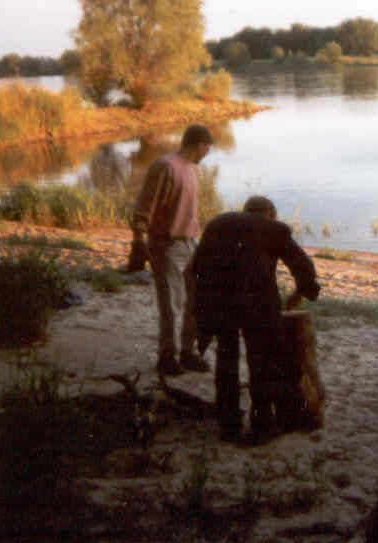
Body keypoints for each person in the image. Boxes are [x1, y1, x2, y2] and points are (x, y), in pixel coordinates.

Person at [188, 196, 321, 443]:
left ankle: (229, 424)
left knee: (226, 360)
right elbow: (303, 265)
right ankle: (262, 424)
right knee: (261, 362)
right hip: (257, 301)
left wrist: (199, 313)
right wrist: (302, 291)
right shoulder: (274, 229)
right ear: (269, 213)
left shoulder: (218, 223)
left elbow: (194, 268)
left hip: (219, 300)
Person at [131, 124, 213, 377]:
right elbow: (144, 206)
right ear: (198, 144)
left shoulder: (191, 169)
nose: (207, 154)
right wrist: (138, 241)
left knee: (193, 301)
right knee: (172, 305)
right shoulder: (165, 166)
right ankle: (167, 357)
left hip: (190, 243)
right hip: (166, 244)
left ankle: (187, 353)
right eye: (207, 148)